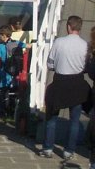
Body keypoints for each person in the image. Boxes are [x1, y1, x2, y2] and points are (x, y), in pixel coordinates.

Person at [40, 15, 90, 160]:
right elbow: (86, 66)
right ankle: (69, 151)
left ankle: (48, 148)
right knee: (74, 120)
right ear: (79, 28)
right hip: (77, 83)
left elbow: (50, 63)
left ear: (68, 26)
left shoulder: (59, 42)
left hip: (60, 82)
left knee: (51, 118)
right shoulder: (85, 45)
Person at [0, 24, 14, 119]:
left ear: (4, 35)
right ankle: (11, 112)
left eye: (0, 35)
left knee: (1, 93)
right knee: (12, 93)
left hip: (4, 72)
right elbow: (27, 46)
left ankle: (1, 112)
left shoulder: (0, 47)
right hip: (14, 73)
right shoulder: (16, 44)